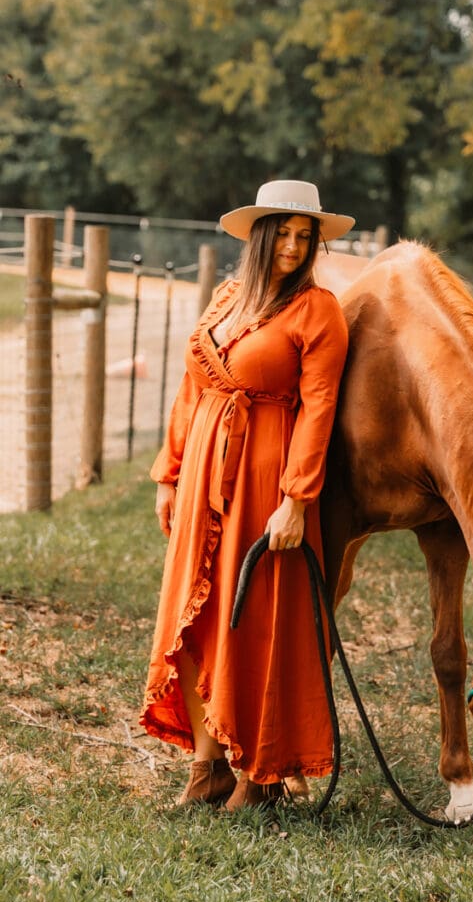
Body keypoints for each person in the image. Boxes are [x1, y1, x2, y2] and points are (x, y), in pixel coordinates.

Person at [139, 180, 354, 810]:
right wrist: (171, 474)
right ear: (259, 237)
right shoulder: (227, 297)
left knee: (253, 620)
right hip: (205, 468)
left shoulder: (319, 311)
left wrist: (297, 498)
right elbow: (190, 390)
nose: (292, 247)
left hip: (265, 477)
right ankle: (208, 768)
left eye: (303, 237)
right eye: (283, 233)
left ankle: (259, 770)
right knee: (198, 619)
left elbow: (319, 409)